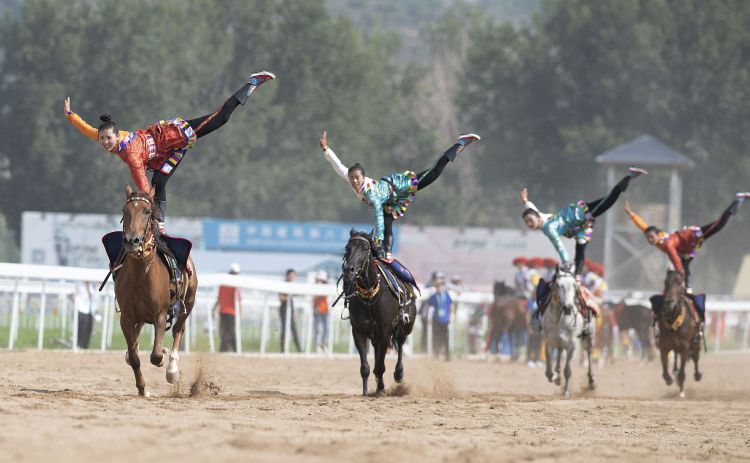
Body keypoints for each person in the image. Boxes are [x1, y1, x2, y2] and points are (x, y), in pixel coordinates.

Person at [64, 71, 275, 232]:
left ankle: (252, 82)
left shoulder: (131, 155)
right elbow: (88, 129)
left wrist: (149, 209)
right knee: (160, 181)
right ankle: (161, 223)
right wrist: (71, 116)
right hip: (167, 152)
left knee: (221, 118)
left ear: (117, 135)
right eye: (102, 139)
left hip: (175, 136)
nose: (105, 142)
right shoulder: (109, 138)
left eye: (108, 138)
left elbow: (142, 183)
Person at [320, 130, 480, 259]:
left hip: (400, 187)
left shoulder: (370, 194)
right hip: (389, 199)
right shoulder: (350, 179)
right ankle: (388, 252)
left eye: (357, 178)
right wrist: (326, 150)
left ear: (363, 176)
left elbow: (378, 217)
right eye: (351, 178)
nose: (354, 181)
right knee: (388, 217)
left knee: (433, 173)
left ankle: (460, 143)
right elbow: (338, 166)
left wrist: (377, 241)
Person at [521, 167, 646, 325]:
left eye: (530, 221)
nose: (529, 224)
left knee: (608, 201)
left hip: (581, 218)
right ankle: (578, 277)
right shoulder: (540, 217)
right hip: (576, 222)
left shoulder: (548, 229)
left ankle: (628, 176)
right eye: (527, 223)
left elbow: (559, 245)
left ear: (537, 217)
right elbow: (531, 209)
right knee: (582, 246)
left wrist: (565, 261)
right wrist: (525, 202)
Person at [624, 194, 749, 289]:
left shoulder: (667, 244)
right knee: (686, 268)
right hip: (685, 250)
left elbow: (675, 259)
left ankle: (738, 200)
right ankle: (687, 289)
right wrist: (632, 215)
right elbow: (643, 226)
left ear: (657, 234)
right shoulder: (656, 237)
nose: (650, 240)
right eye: (648, 238)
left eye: (651, 237)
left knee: (719, 224)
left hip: (693, 238)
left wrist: (680, 273)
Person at [214, 263, 242, 352]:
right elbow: (237, 299)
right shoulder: (235, 284)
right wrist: (240, 312)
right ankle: (226, 350)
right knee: (229, 332)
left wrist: (214, 309)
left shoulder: (223, 283)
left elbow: (219, 298)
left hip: (222, 311)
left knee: (226, 331)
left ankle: (233, 349)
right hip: (231, 312)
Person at [428, 273, 454, 361]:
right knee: (436, 337)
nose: (439, 287)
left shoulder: (446, 295)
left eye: (440, 285)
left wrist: (451, 317)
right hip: (436, 320)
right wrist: (429, 317)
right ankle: (436, 354)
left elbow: (451, 305)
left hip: (445, 320)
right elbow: (430, 307)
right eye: (437, 285)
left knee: (446, 338)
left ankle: (447, 355)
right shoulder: (433, 296)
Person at [279, 268, 302, 353]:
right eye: (291, 275)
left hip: (290, 311)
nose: (293, 277)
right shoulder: (283, 285)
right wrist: (289, 295)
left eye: (294, 275)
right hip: (284, 310)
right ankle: (282, 350)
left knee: (294, 330)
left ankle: (299, 350)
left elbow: (297, 294)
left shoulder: (292, 285)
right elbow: (281, 298)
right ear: (287, 275)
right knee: (284, 330)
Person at [312, 270, 330, 353]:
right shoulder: (314, 287)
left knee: (326, 329)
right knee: (318, 329)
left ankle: (323, 345)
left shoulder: (327, 287)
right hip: (317, 310)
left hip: (325, 310)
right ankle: (318, 346)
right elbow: (313, 298)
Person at [74, 281, 95, 349]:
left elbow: (91, 294)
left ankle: (85, 346)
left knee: (88, 330)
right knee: (81, 330)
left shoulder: (91, 284)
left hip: (89, 310)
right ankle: (79, 345)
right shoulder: (78, 283)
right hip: (81, 309)